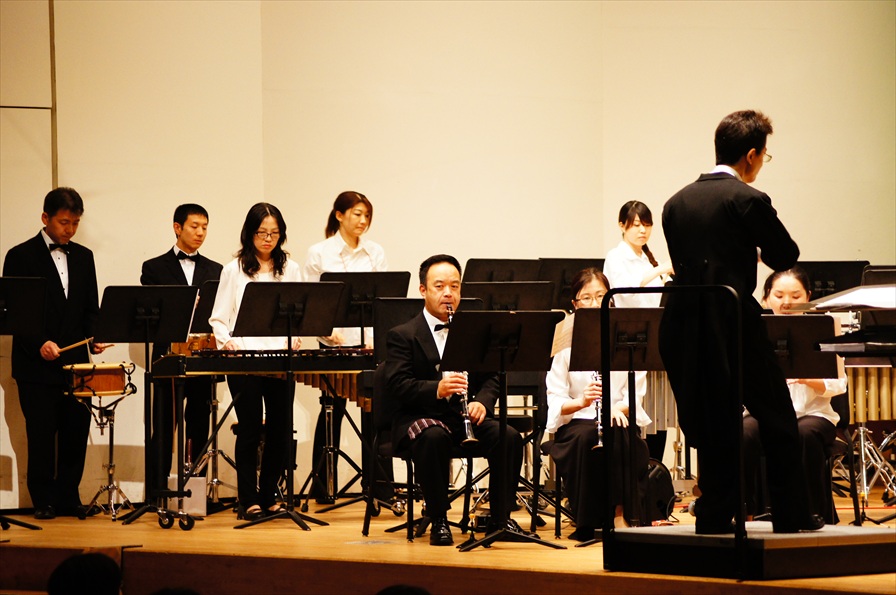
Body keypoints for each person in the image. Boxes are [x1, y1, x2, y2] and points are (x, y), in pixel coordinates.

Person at [658, 109, 823, 534]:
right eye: (764, 156)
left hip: (683, 320)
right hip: (730, 319)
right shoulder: (747, 199)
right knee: (777, 414)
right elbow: (785, 256)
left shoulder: (675, 203)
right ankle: (790, 515)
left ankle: (714, 514)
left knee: (714, 420)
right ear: (751, 155)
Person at [382, 254, 530, 546]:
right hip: (419, 417)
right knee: (433, 437)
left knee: (508, 436)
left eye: (454, 286)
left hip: (461, 418)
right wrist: (437, 389)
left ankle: (500, 519)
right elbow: (397, 386)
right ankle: (438, 518)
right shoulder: (402, 335)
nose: (448, 293)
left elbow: (493, 377)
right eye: (439, 286)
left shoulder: (473, 333)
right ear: (423, 290)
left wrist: (482, 402)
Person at [2, 187, 109, 519]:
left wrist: (94, 338)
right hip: (36, 364)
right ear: (45, 218)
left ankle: (68, 496)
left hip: (76, 364)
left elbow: (90, 308)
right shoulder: (19, 256)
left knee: (76, 432)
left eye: (75, 223)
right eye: (64, 222)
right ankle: (43, 500)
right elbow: (14, 313)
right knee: (42, 435)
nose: (70, 230)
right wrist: (39, 342)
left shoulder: (84, 257)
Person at [209, 202, 303, 520]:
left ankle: (269, 495)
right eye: (262, 232)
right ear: (250, 233)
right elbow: (218, 318)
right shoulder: (233, 269)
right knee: (249, 430)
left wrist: (296, 335)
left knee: (280, 430)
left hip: (279, 359)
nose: (268, 239)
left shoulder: (290, 269)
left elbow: (298, 312)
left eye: (274, 233)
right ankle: (247, 499)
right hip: (245, 360)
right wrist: (228, 343)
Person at [545, 268, 651, 541]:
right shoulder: (564, 343)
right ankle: (588, 522)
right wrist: (581, 401)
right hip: (578, 423)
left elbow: (634, 396)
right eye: (587, 298)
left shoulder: (627, 338)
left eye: (601, 296)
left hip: (617, 418)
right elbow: (555, 399)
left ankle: (621, 515)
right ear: (575, 304)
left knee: (621, 433)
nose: (595, 304)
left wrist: (614, 408)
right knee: (587, 438)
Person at [742, 267, 846, 523]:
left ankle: (808, 512)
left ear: (808, 296)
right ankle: (744, 510)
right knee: (743, 432)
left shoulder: (825, 328)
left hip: (814, 414)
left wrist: (803, 376)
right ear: (766, 297)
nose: (786, 302)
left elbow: (839, 385)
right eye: (778, 295)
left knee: (802, 434)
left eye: (795, 296)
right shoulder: (753, 330)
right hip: (765, 411)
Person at [303, 191, 387, 503]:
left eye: (367, 215)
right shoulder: (319, 252)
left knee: (374, 414)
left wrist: (377, 337)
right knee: (331, 412)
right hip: (334, 344)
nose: (363, 221)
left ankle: (378, 486)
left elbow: (382, 300)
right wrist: (329, 333)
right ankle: (324, 487)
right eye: (357, 214)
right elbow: (313, 299)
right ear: (339, 215)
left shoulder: (375, 252)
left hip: (369, 345)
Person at [140, 204, 222, 499]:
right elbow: (151, 312)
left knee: (199, 425)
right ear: (177, 227)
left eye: (205, 227)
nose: (200, 233)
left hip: (202, 357)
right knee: (163, 426)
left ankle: (195, 493)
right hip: (168, 357)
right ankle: (157, 492)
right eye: (194, 226)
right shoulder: (154, 267)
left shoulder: (216, 270)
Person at [603, 200, 674, 462]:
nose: (642, 230)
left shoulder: (647, 259)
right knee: (635, 403)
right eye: (635, 225)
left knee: (658, 413)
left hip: (653, 336)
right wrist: (660, 270)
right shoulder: (615, 256)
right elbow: (627, 292)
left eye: (646, 224)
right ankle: (638, 466)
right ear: (622, 226)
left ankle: (655, 469)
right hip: (628, 337)